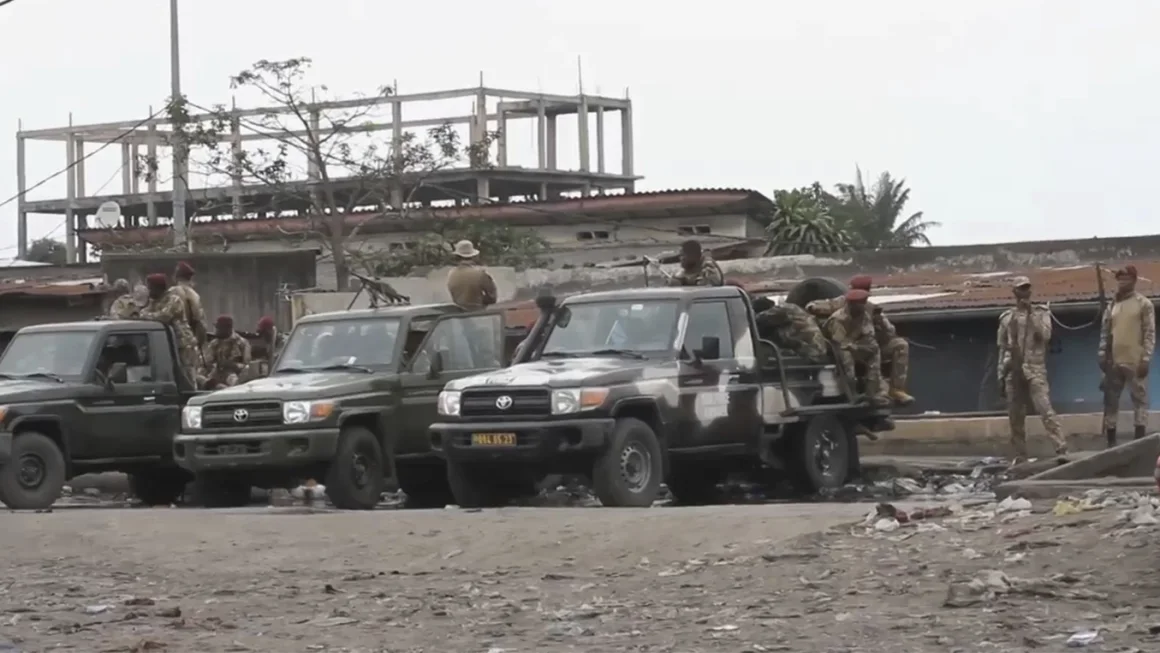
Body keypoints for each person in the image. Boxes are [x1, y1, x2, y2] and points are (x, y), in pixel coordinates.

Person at [808, 275, 914, 405]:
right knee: (848, 354)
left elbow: (889, 332)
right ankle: (862, 393)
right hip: (847, 345)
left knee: (900, 345)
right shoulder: (841, 305)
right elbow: (840, 339)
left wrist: (880, 322)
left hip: (868, 343)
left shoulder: (870, 309)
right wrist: (813, 309)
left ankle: (896, 389)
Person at [997, 276, 1068, 460]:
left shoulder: (1041, 312)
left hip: (1034, 368)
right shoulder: (1006, 317)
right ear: (1014, 292)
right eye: (1021, 289)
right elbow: (1003, 347)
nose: (1025, 292)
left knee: (1045, 409)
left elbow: (1045, 335)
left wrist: (1031, 314)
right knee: (1015, 415)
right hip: (1013, 368)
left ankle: (1061, 448)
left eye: (1027, 288)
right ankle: (1020, 455)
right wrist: (1000, 375)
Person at [1098, 264, 1156, 447]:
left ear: (1134, 280)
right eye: (1120, 278)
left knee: (1140, 400)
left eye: (1126, 278)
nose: (1122, 282)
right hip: (1114, 362)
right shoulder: (1112, 305)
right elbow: (1105, 332)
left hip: (1135, 361)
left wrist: (1146, 358)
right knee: (1110, 401)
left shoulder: (1143, 304)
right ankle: (1111, 442)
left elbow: (1149, 333)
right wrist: (1101, 353)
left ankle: (1139, 442)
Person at [826, 289, 889, 406]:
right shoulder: (838, 319)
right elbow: (839, 343)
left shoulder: (864, 315)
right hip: (837, 349)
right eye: (861, 303)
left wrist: (868, 346)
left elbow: (868, 334)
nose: (864, 305)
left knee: (874, 350)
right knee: (846, 357)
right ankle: (852, 394)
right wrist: (856, 347)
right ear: (852, 305)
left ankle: (872, 393)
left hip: (855, 345)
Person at [137, 273, 200, 387]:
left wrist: (145, 315)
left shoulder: (174, 300)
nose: (149, 291)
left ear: (158, 288)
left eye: (151, 288)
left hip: (183, 344)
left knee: (187, 376)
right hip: (169, 345)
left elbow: (164, 316)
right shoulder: (155, 302)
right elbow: (143, 312)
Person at [754, 301, 829, 363]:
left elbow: (756, 320)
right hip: (814, 353)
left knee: (762, 353)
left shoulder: (784, 309)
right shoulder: (792, 309)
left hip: (809, 354)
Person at [446, 240, 498, 311]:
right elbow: (492, 297)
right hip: (477, 314)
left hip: (458, 316)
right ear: (474, 256)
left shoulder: (451, 274)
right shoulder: (480, 274)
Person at [204, 315, 251, 389]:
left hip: (235, 377)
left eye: (218, 328)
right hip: (217, 375)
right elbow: (207, 362)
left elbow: (248, 366)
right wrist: (216, 366)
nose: (216, 331)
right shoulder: (214, 343)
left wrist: (233, 365)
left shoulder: (242, 343)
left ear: (227, 328)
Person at [172, 261, 208, 349]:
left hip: (171, 339)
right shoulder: (194, 295)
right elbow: (200, 323)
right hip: (188, 340)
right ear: (191, 278)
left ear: (176, 277)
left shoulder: (170, 292)